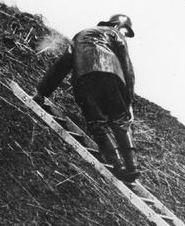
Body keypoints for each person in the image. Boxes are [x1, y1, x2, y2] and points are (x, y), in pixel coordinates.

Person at [33, 15, 140, 183]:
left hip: (84, 77)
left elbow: (62, 65)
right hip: (112, 75)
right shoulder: (116, 34)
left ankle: (118, 165)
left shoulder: (81, 35)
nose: (125, 35)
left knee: (97, 122)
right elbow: (127, 67)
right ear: (119, 26)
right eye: (126, 31)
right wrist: (129, 101)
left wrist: (42, 92)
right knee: (120, 118)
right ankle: (133, 166)